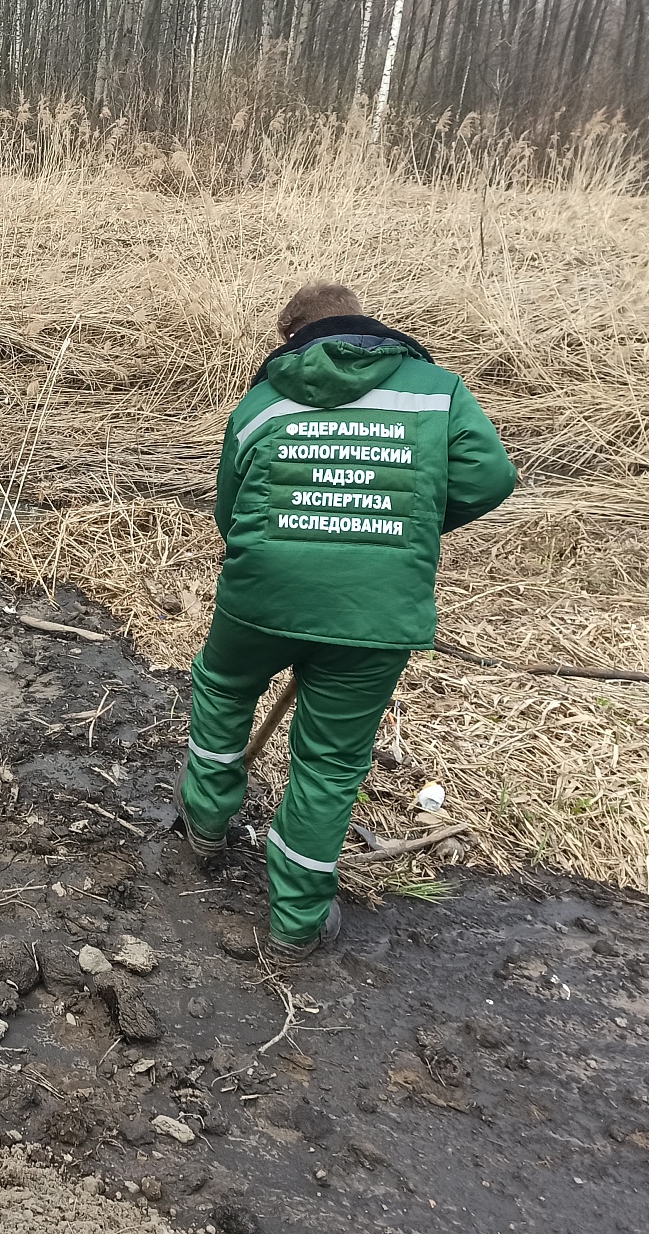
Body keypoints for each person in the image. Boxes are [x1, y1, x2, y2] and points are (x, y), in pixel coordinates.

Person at [179, 282, 516, 962]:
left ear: (291, 336)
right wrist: (400, 527)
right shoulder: (437, 393)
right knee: (329, 762)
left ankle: (204, 826)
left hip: (263, 594)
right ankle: (295, 924)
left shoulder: (264, 401)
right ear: (365, 322)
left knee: (222, 688)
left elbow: (230, 506)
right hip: (376, 608)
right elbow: (490, 479)